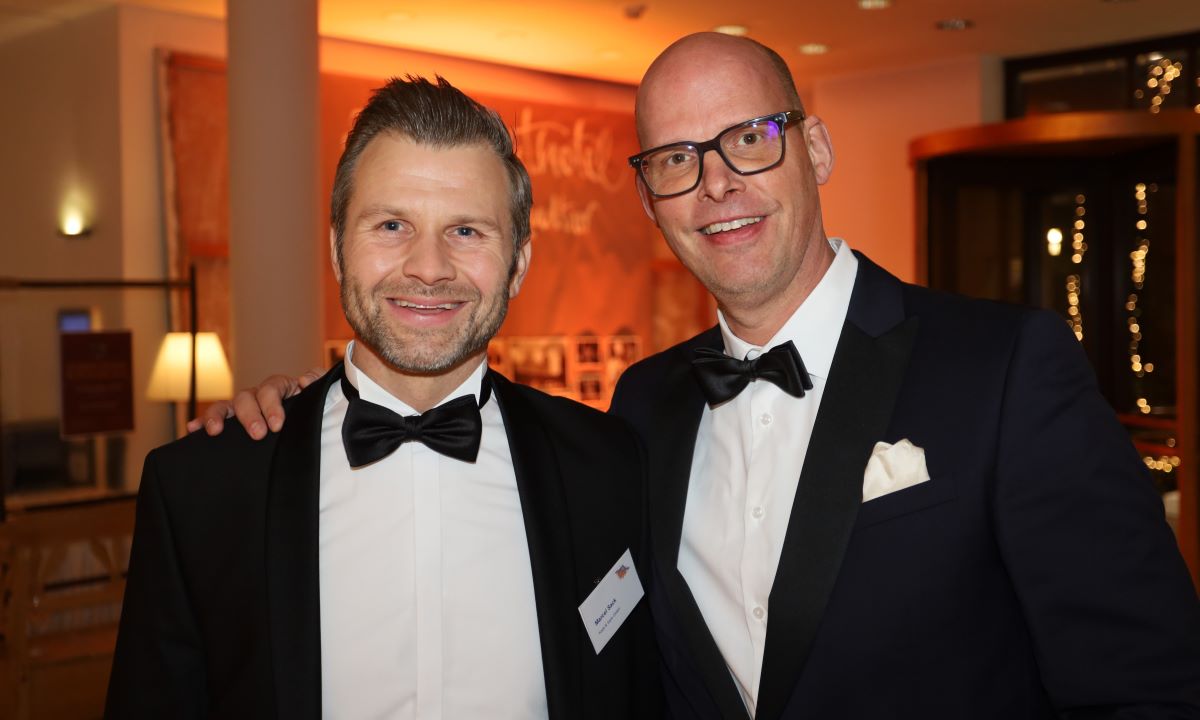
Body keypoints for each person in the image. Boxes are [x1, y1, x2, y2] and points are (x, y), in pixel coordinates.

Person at [201, 35, 1200, 720]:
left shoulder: (1006, 367)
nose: (716, 182)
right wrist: (301, 413)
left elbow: (1149, 684)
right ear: (651, 200)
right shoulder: (641, 411)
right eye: (676, 158)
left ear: (814, 147)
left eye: (749, 139)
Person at [106, 75, 662, 720]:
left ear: (518, 264)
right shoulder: (202, 488)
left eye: (467, 231)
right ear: (337, 249)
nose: (428, 267)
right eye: (393, 224)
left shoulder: (610, 466)